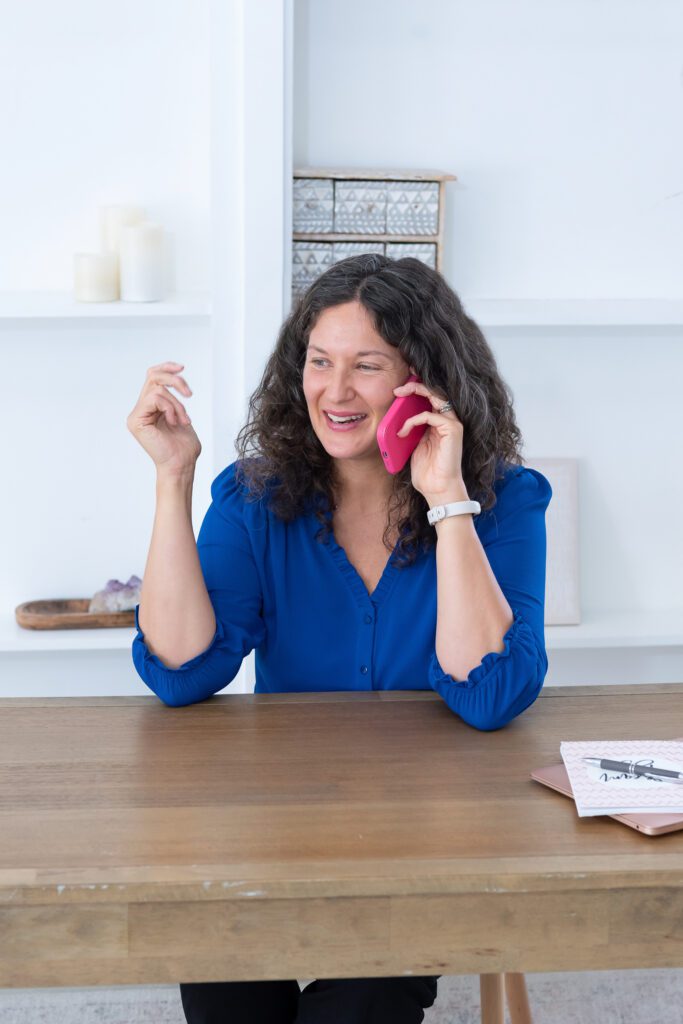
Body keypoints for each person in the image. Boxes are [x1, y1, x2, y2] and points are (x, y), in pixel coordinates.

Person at [126, 254, 552, 1024]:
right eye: (319, 363)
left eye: (366, 366)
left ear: (423, 379)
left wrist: (446, 499)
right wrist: (172, 479)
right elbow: (181, 670)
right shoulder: (253, 497)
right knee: (221, 977)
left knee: (359, 1007)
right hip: (271, 823)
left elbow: (490, 693)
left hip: (425, 839)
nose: (335, 390)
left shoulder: (505, 502)